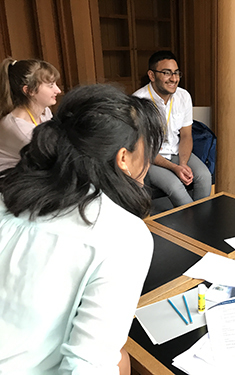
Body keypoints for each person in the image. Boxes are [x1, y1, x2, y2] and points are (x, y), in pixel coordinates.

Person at [0, 84, 163, 374]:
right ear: (123, 158)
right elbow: (87, 367)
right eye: (146, 151)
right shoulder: (122, 234)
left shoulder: (7, 194)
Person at [133, 50, 211, 207]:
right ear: (152, 75)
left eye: (176, 73)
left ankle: (200, 222)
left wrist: (183, 163)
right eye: (166, 73)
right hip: (150, 158)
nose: (174, 79)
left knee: (204, 176)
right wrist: (175, 168)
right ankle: (191, 226)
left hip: (176, 152)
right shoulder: (138, 101)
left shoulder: (183, 96)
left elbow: (186, 135)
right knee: (177, 188)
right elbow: (143, 149)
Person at [0, 57, 61, 171]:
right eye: (51, 85)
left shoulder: (44, 111)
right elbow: (52, 160)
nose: (58, 90)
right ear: (29, 90)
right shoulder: (20, 128)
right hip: (11, 182)